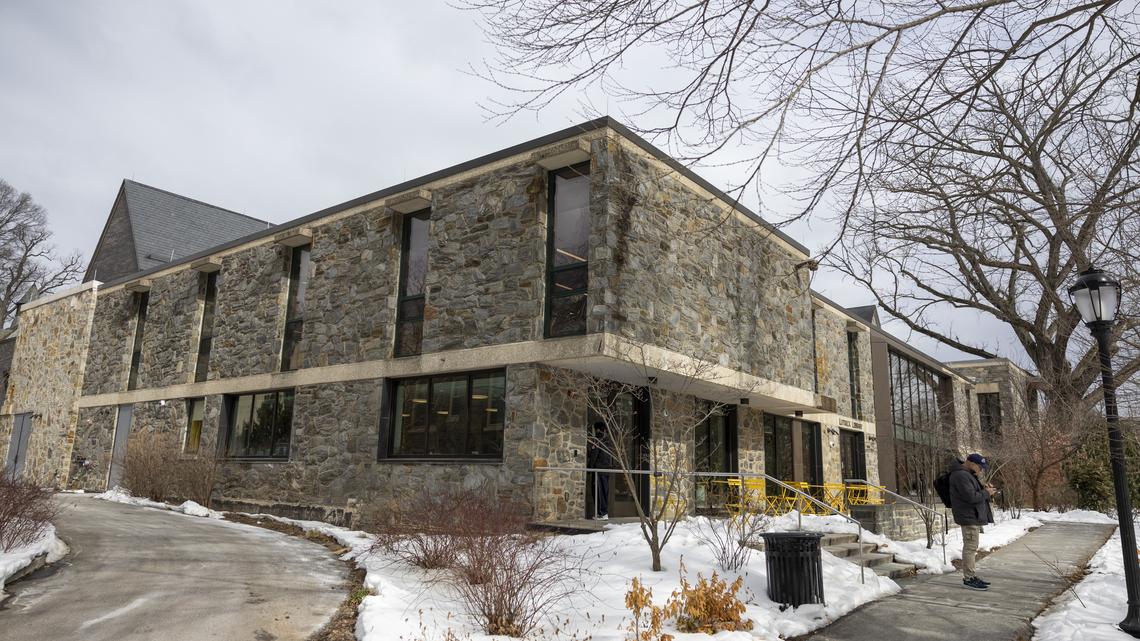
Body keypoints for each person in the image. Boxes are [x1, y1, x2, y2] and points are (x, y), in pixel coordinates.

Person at [949, 452, 997, 591]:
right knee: (970, 548)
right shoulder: (961, 475)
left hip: (971, 515)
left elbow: (972, 492)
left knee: (971, 547)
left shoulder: (967, 474)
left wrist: (984, 489)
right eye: (980, 467)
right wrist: (987, 493)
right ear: (971, 463)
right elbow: (971, 497)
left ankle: (971, 576)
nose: (981, 470)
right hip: (968, 516)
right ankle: (969, 578)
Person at [587, 422, 613, 520]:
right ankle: (603, 513)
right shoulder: (608, 441)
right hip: (606, 470)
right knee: (604, 491)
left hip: (598, 470)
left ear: (597, 429)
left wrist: (589, 469)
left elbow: (594, 455)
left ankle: (602, 513)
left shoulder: (598, 440)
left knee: (598, 492)